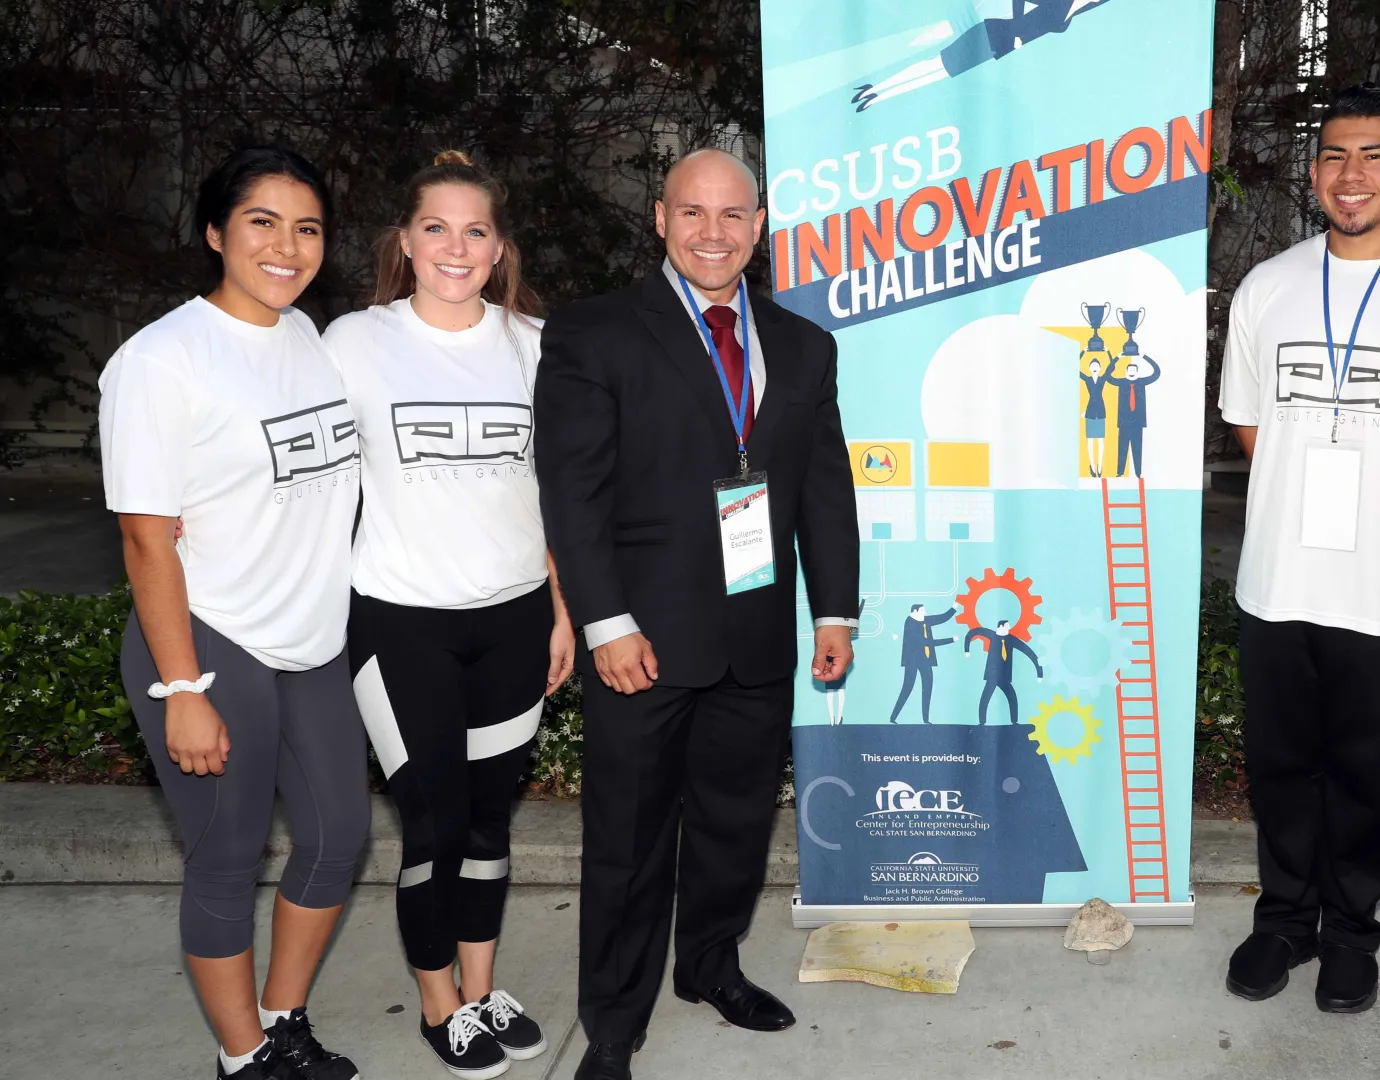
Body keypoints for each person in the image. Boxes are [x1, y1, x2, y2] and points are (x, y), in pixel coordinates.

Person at [535, 147, 860, 1080]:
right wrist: (604, 624)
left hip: (755, 638)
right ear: (660, 218)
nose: (712, 232)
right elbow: (573, 496)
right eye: (693, 213)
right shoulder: (595, 333)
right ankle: (612, 1021)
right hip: (641, 639)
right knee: (628, 844)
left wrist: (833, 610)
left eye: (732, 215)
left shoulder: (804, 345)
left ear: (759, 227)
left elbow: (824, 490)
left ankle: (710, 968)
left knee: (732, 828)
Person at [99, 145, 367, 1080]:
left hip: (309, 640)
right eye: (262, 223)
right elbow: (145, 540)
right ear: (216, 232)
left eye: (307, 228)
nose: (287, 247)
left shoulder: (303, 335)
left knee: (339, 837)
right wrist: (183, 686)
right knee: (229, 854)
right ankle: (243, 1057)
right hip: (211, 639)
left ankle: (282, 1018)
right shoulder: (161, 362)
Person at [1217, 83, 1380, 1020]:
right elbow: (1251, 426)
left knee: (1367, 771)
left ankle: (1351, 936)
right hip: (1281, 576)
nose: (1350, 173)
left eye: (1373, 156)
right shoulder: (1269, 285)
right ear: (1314, 173)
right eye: (1333, 156)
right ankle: (1283, 920)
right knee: (1282, 765)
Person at [323, 151, 568, 1079]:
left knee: (491, 824)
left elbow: (559, 493)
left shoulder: (535, 345)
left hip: (512, 620)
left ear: (498, 247)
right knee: (433, 824)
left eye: (475, 230)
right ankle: (438, 1006)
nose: (455, 247)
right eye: (436, 228)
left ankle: (483, 984)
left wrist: (561, 610)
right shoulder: (353, 341)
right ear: (405, 243)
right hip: (399, 625)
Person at [852, 0, 1119, 112]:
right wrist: (1015, 31)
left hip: (997, 48)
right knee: (936, 64)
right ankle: (876, 89)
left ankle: (876, 94)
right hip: (994, 33)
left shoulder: (1072, 11)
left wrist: (1016, 40)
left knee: (939, 73)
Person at [963, 620, 1043, 725]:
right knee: (985, 698)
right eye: (1007, 626)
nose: (1009, 629)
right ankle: (982, 722)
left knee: (1012, 697)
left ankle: (1014, 721)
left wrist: (1039, 672)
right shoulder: (991, 635)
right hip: (992, 675)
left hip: (1004, 676)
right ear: (1001, 626)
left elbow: (1029, 652)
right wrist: (967, 650)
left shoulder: (1011, 639)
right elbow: (972, 632)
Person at [890, 603, 958, 724]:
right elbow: (928, 642)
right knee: (907, 688)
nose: (925, 612)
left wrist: (954, 607)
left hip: (925, 660)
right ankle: (893, 717)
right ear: (915, 611)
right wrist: (951, 640)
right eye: (922, 610)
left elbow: (941, 618)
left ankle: (926, 719)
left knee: (928, 688)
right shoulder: (910, 623)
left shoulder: (924, 620)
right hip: (912, 661)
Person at [1111, 354, 1161, 478]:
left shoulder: (1141, 382)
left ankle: (1138, 472)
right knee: (1122, 448)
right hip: (1124, 422)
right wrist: (1117, 358)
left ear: (1137, 371)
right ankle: (1120, 472)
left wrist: (1144, 356)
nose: (1132, 372)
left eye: (1134, 370)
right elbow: (1108, 376)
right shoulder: (1122, 382)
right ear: (1126, 371)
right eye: (1130, 370)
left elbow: (1156, 372)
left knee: (1137, 448)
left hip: (1138, 422)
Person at [1079, 354, 1112, 476]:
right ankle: (1092, 466)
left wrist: (1107, 352)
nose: (1094, 367)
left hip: (1101, 411)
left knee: (1100, 441)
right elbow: (1075, 368)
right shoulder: (1087, 379)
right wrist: (1084, 351)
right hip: (1090, 411)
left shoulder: (1103, 379)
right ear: (1088, 368)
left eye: (1096, 366)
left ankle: (1099, 466)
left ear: (1100, 368)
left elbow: (1111, 367)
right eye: (1092, 366)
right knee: (1090, 441)